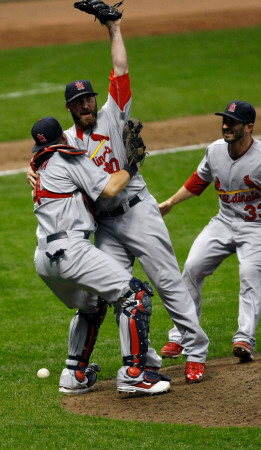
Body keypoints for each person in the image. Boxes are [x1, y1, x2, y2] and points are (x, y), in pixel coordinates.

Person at [27, 15, 209, 382]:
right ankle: (146, 358)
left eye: (89, 98)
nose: (86, 105)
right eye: (78, 102)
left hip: (138, 211)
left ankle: (196, 350)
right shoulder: (65, 141)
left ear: (97, 99)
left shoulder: (114, 112)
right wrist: (29, 169)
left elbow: (121, 68)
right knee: (117, 292)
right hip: (105, 224)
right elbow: (44, 158)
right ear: (70, 108)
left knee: (166, 281)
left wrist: (115, 28)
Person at [158, 100, 261, 363]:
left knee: (249, 274)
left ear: (249, 127)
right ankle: (181, 335)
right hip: (223, 223)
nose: (226, 126)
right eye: (224, 120)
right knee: (191, 268)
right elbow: (199, 181)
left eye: (232, 122)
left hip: (259, 229)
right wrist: (170, 203)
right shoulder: (215, 151)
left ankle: (245, 337)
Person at [31, 116, 171, 395]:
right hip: (71, 250)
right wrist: (132, 165)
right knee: (135, 295)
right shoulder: (68, 157)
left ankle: (74, 375)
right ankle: (134, 375)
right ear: (63, 138)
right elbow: (109, 187)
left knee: (93, 304)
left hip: (44, 259)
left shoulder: (39, 166)